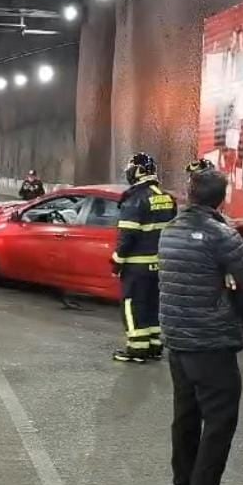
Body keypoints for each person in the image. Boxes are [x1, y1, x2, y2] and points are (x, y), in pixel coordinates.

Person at [158, 168, 243, 485]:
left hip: (176, 339)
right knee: (219, 422)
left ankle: (183, 484)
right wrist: (228, 285)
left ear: (190, 194)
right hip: (211, 342)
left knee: (186, 418)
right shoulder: (223, 235)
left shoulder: (170, 229)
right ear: (222, 198)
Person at [111, 152, 177, 362]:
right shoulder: (166, 198)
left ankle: (137, 348)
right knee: (153, 304)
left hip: (136, 267)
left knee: (132, 304)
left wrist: (116, 261)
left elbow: (127, 237)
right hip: (160, 265)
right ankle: (154, 345)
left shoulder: (135, 200)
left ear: (138, 171)